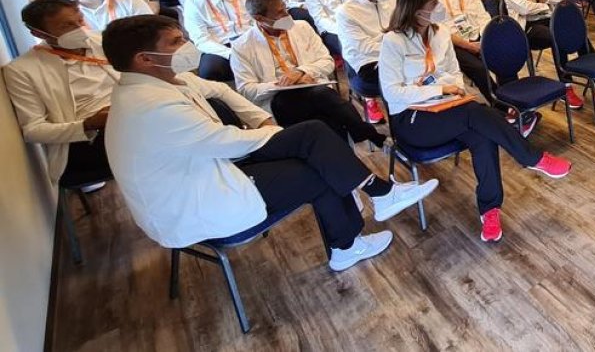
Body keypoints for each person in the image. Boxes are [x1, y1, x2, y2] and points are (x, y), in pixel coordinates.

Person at [103, 14, 437, 271]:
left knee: (313, 135)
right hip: (194, 198)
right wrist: (275, 133)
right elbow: (223, 142)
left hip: (209, 168)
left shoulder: (160, 81)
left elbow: (218, 90)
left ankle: (376, 201)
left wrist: (262, 122)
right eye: (175, 42)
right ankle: (353, 236)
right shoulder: (148, 104)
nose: (186, 45)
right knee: (318, 167)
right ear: (144, 58)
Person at [379, 0, 570, 243]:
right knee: (476, 113)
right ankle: (531, 157)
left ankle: (490, 210)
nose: (439, 8)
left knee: (482, 135)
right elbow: (393, 93)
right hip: (412, 120)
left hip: (446, 106)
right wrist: (436, 86)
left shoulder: (441, 33)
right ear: (415, 11)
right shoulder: (393, 41)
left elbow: (454, 76)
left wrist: (433, 86)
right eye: (433, 4)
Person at [231, 0, 385, 147]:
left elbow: (327, 61)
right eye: (280, 12)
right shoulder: (242, 46)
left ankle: (348, 152)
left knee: (328, 116)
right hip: (280, 99)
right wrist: (282, 83)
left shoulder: (302, 27)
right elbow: (246, 90)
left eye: (285, 8)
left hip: (312, 85)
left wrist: (301, 72)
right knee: (325, 100)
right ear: (260, 18)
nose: (287, 14)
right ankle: (364, 132)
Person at [5, 0, 118, 187]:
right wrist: (89, 124)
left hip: (129, 114)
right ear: (38, 33)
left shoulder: (102, 41)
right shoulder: (22, 70)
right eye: (67, 26)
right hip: (87, 139)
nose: (80, 29)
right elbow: (33, 130)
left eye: (80, 20)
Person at [432, 0, 499, 106]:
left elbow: (482, 15)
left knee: (503, 53)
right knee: (478, 68)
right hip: (454, 43)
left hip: (477, 34)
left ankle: (513, 97)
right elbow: (441, 31)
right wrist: (469, 45)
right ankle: (501, 106)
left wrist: (486, 38)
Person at [335, 0, 393, 124]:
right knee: (399, 80)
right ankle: (402, 130)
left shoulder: (392, 1)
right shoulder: (347, 11)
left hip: (395, 55)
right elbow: (364, 47)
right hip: (367, 63)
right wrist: (397, 48)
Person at [182, 0, 253, 81]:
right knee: (210, 70)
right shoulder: (194, 2)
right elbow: (201, 40)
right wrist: (230, 54)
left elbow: (257, 23)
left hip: (248, 41)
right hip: (220, 46)